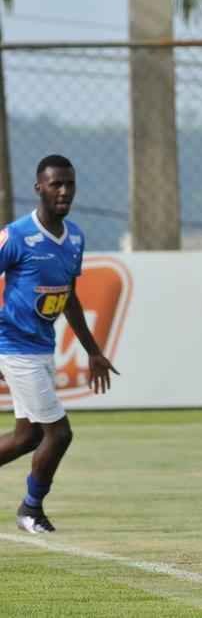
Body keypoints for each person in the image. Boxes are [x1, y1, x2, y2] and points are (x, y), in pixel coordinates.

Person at [0, 154, 118, 533]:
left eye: (69, 183)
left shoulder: (75, 238)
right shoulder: (16, 236)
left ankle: (30, 509)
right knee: (59, 433)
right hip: (14, 348)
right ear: (39, 188)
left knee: (27, 437)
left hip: (41, 348)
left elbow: (68, 296)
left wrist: (93, 350)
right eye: (56, 184)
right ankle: (30, 510)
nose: (64, 191)